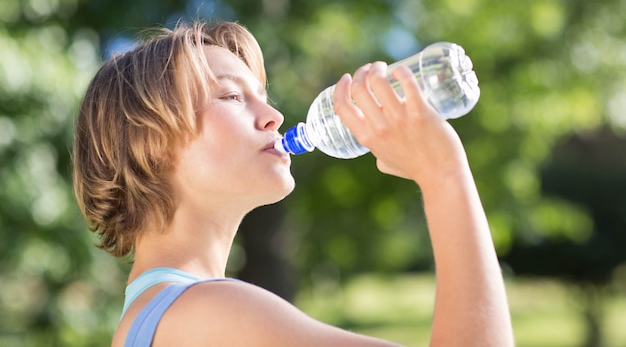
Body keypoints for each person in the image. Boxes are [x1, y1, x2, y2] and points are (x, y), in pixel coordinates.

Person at [72, 20, 514, 347]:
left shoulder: (161, 315)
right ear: (152, 142)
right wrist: (444, 175)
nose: (274, 117)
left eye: (264, 97)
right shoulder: (204, 312)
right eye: (231, 96)